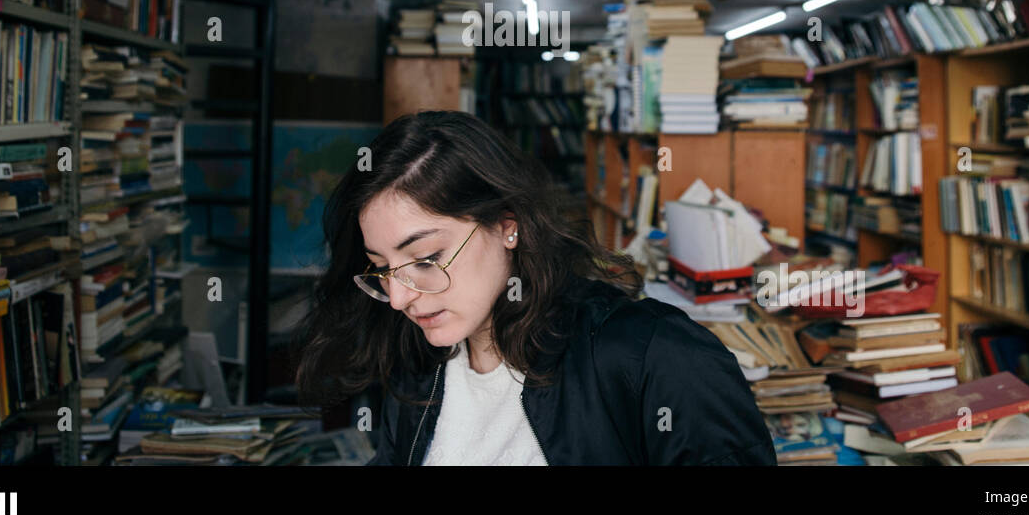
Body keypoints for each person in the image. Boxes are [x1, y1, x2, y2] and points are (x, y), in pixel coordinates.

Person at [293, 111, 776, 466]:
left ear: (509, 226)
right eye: (382, 268)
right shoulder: (417, 362)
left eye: (425, 259)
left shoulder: (658, 356)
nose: (400, 298)